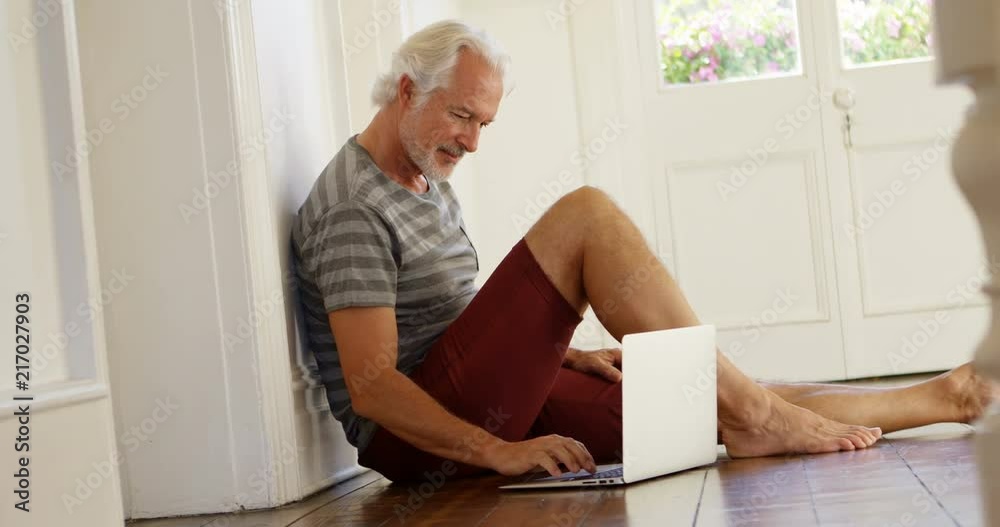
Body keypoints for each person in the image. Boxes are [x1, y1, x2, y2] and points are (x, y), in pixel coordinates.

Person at [290, 20, 995, 483]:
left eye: (484, 123)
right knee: (586, 215)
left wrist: (558, 354)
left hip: (475, 393)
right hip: (418, 437)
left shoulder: (425, 171)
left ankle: (944, 395)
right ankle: (761, 416)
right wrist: (498, 449)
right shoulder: (356, 204)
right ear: (408, 90)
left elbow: (449, 318)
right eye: (463, 116)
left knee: (696, 396)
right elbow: (375, 387)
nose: (473, 141)